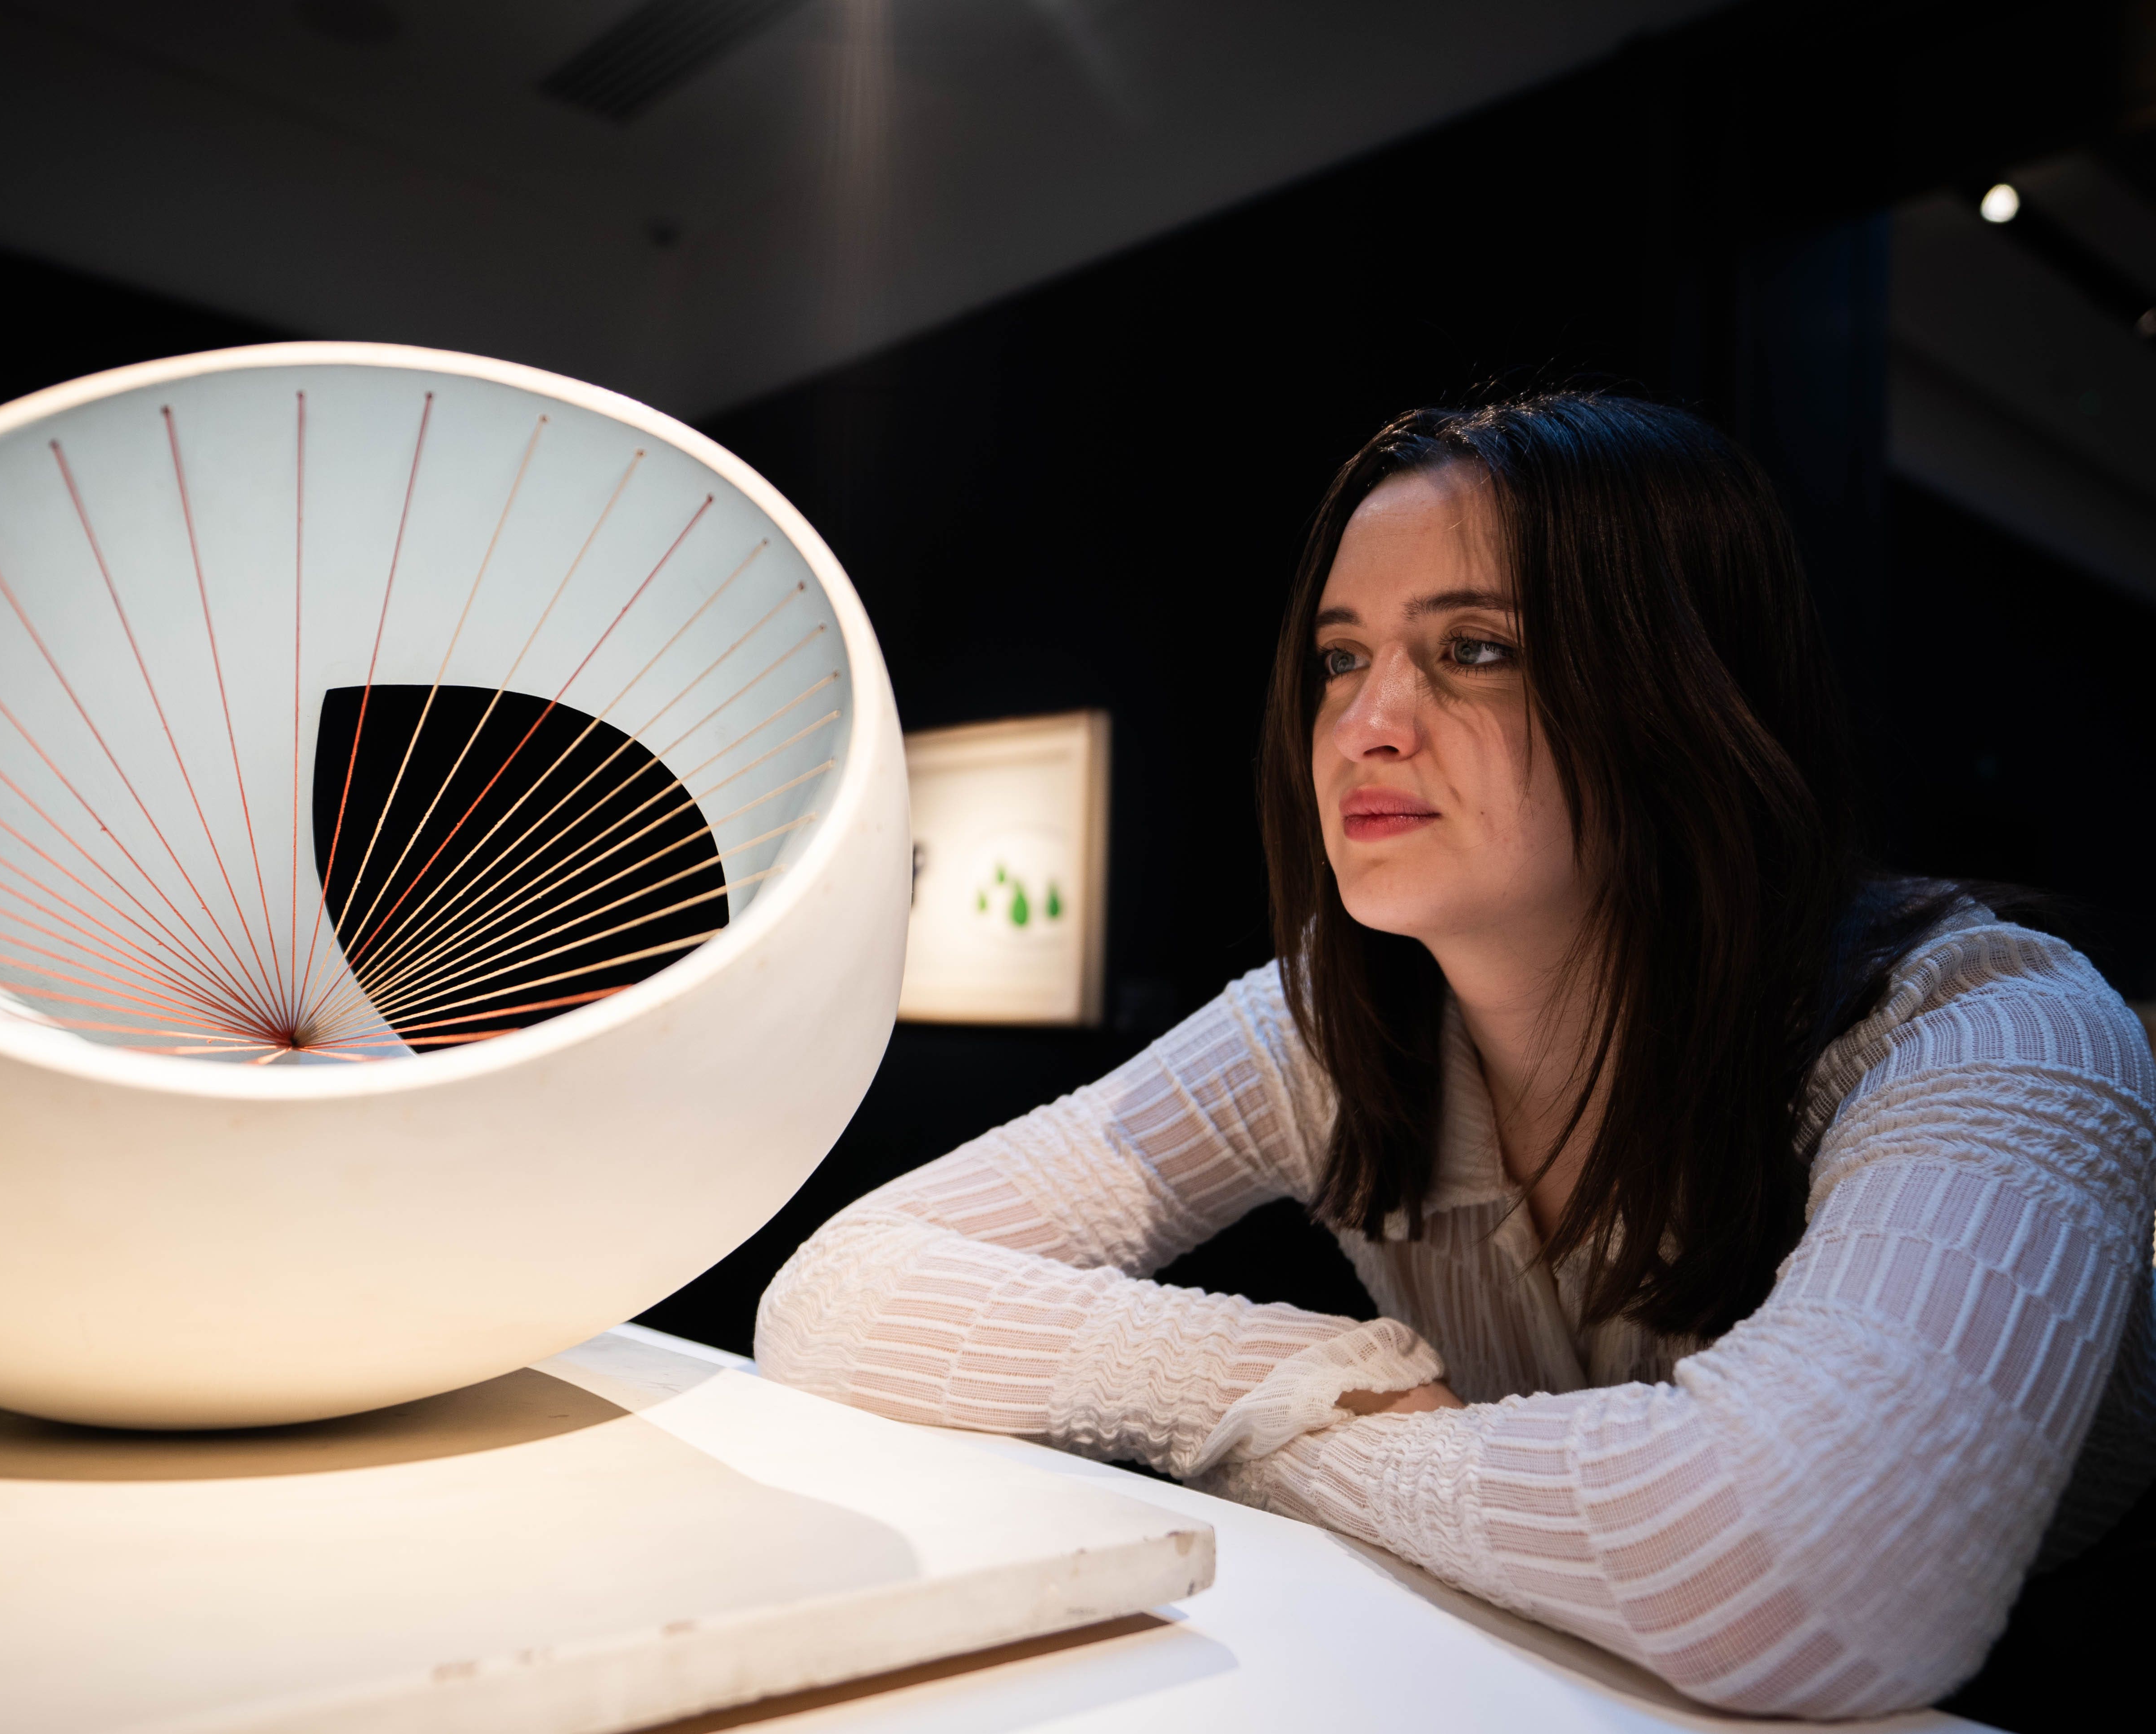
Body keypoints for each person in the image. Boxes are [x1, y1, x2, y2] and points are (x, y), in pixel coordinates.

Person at [755, 393, 2154, 1719]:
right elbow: (838, 1292)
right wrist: (1275, 1371)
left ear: (1679, 692)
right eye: (1341, 657)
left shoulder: (1993, 1028)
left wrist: (1307, 1442)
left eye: (1474, 646)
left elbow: (1804, 1563)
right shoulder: (1336, 1016)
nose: (1366, 725)